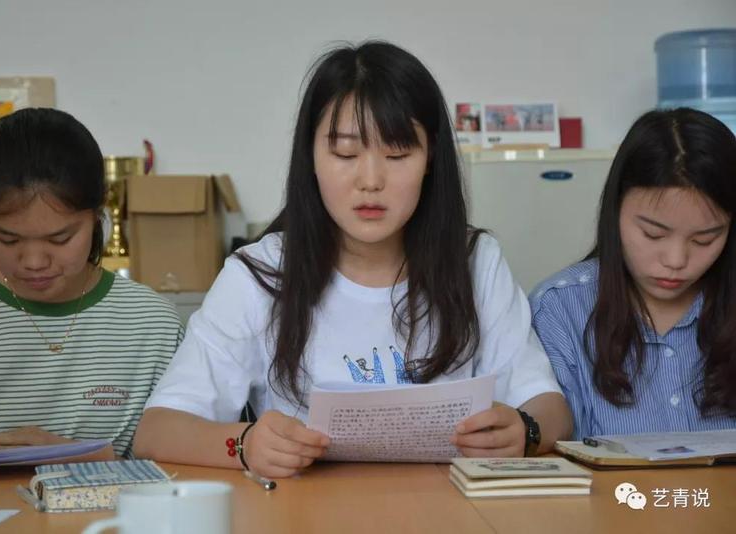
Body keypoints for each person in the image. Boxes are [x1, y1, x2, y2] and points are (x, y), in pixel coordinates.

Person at [134, 41, 571, 478]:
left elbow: (549, 407)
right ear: (311, 155)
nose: (371, 180)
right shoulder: (260, 275)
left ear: (430, 159)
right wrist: (244, 444)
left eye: (397, 155)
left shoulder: (474, 262)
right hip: (302, 509)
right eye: (345, 154)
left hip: (450, 505)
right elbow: (156, 432)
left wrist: (525, 430)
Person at [0, 108, 184, 458]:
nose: (34, 261)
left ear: (98, 215)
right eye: (8, 239)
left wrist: (86, 457)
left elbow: (184, 471)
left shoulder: (153, 326)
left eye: (60, 238)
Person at [530, 108, 736, 439]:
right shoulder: (560, 308)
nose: (676, 260)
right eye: (653, 234)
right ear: (615, 211)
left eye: (704, 240)